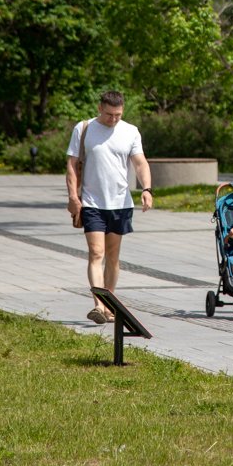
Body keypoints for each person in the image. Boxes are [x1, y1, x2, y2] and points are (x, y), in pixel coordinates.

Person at [66, 90, 153, 325]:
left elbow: (140, 162)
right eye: (109, 114)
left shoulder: (130, 131)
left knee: (113, 257)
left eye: (118, 115)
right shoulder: (84, 128)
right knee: (96, 253)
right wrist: (73, 196)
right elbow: (72, 164)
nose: (113, 119)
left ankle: (109, 302)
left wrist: (146, 189)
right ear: (99, 108)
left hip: (120, 204)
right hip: (92, 203)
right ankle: (98, 305)